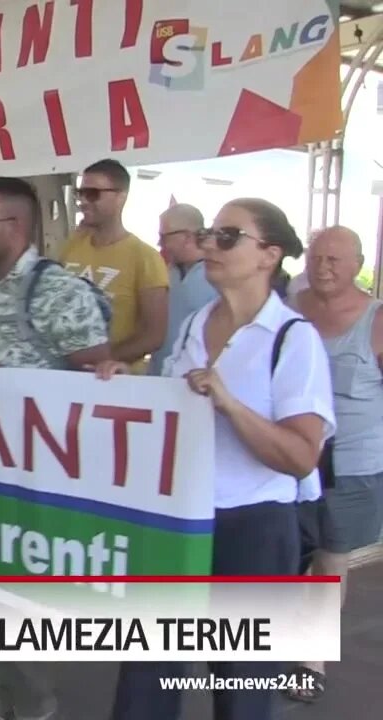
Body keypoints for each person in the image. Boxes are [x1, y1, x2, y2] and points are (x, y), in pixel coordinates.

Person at [98, 198, 335, 720]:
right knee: (146, 677)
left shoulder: (294, 340)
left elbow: (300, 457)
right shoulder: (192, 327)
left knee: (243, 686)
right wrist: (125, 393)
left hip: (252, 527)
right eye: (209, 233)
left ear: (269, 255)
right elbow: (166, 417)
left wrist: (230, 405)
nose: (210, 245)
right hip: (178, 521)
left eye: (228, 236)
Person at [0, 176, 110, 720]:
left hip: (37, 486)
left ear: (16, 227)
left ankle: (32, 709)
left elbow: (97, 392)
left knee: (22, 608)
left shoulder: (59, 291)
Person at [284, 226, 383, 703]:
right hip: (289, 457)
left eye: (334, 261)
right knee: (290, 554)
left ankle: (311, 657)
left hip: (351, 464)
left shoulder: (376, 320)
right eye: (317, 258)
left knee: (330, 560)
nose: (323, 268)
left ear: (356, 264)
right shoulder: (293, 311)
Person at [58, 159, 168, 372]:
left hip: (114, 384)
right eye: (79, 193)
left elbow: (154, 335)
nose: (82, 201)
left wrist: (99, 360)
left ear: (120, 197)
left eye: (92, 194)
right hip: (65, 378)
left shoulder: (145, 257)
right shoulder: (72, 245)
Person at [149, 203, 217, 375]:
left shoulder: (217, 277)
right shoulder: (165, 271)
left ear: (187, 237)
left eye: (164, 237)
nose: (159, 243)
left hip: (195, 383)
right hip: (158, 377)